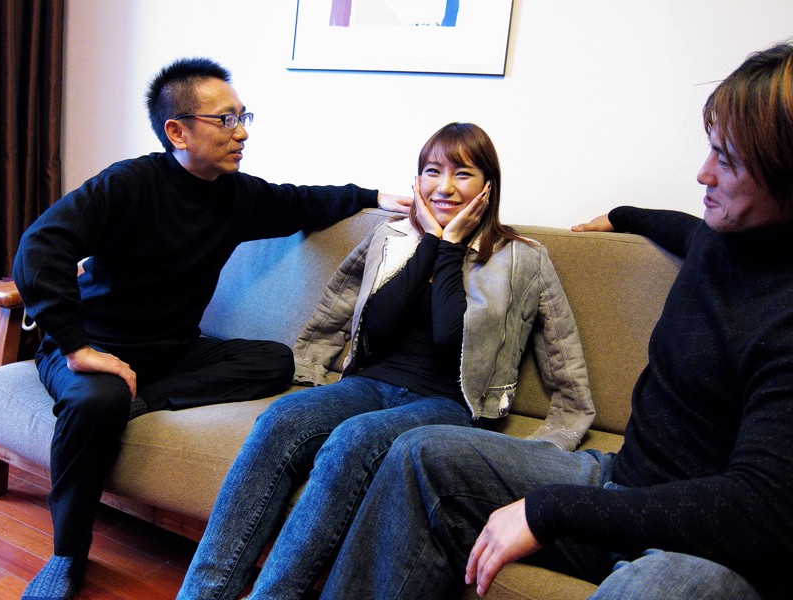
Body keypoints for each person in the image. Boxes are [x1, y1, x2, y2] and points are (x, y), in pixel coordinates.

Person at [315, 42, 793, 600]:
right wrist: (621, 216)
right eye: (711, 149)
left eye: (728, 161)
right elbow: (681, 228)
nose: (703, 173)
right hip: (621, 479)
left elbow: (758, 509)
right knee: (419, 455)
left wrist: (549, 511)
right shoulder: (721, 238)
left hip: (706, 548)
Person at [14, 56, 410, 600]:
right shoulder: (128, 185)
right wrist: (77, 346)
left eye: (243, 117)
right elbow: (39, 247)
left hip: (172, 352)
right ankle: (66, 556)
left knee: (274, 360)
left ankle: (142, 399)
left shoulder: (235, 194)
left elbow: (299, 201)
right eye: (225, 120)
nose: (241, 132)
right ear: (177, 131)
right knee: (97, 401)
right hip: (96, 348)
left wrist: (373, 198)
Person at [177, 122, 595, 600]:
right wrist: (430, 243)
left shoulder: (523, 258)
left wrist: (450, 248)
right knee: (281, 418)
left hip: (448, 404)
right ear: (416, 180)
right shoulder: (391, 236)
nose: (444, 187)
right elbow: (363, 317)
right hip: (368, 384)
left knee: (353, 440)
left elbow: (541, 352)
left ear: (487, 186)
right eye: (432, 172)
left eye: (462, 174)